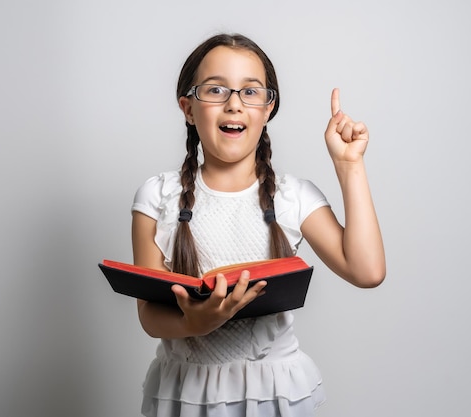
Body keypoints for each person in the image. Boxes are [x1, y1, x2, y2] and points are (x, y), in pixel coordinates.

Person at [130, 33, 386, 417]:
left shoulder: (293, 196)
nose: (234, 105)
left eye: (250, 92)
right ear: (187, 107)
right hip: (185, 392)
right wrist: (194, 323)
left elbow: (367, 272)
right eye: (216, 90)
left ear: (268, 109)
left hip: (276, 393)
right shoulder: (157, 194)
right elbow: (150, 315)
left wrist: (349, 166)